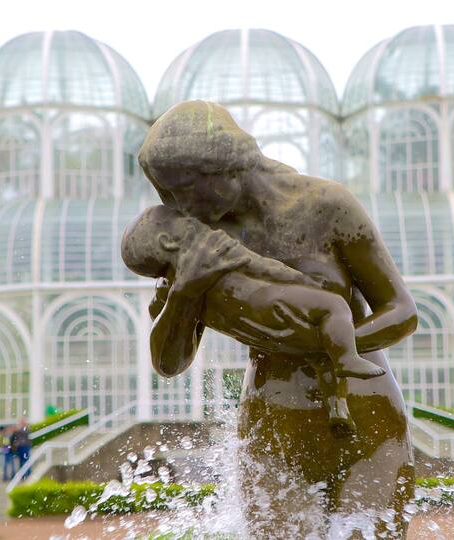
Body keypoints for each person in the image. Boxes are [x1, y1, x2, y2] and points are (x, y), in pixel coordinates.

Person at [136, 100, 419, 538]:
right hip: (271, 424)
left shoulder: (326, 206)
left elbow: (401, 312)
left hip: (364, 412)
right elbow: (168, 363)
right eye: (168, 195)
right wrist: (185, 290)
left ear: (226, 167)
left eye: (185, 189)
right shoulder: (198, 240)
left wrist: (330, 347)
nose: (179, 205)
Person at [121, 203, 386, 433]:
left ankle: (337, 404)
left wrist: (182, 294)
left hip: (272, 335)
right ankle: (344, 367)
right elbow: (167, 363)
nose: (192, 220)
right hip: (270, 308)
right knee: (333, 308)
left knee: (321, 356)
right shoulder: (212, 247)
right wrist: (300, 280)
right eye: (183, 221)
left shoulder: (172, 287)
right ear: (167, 241)